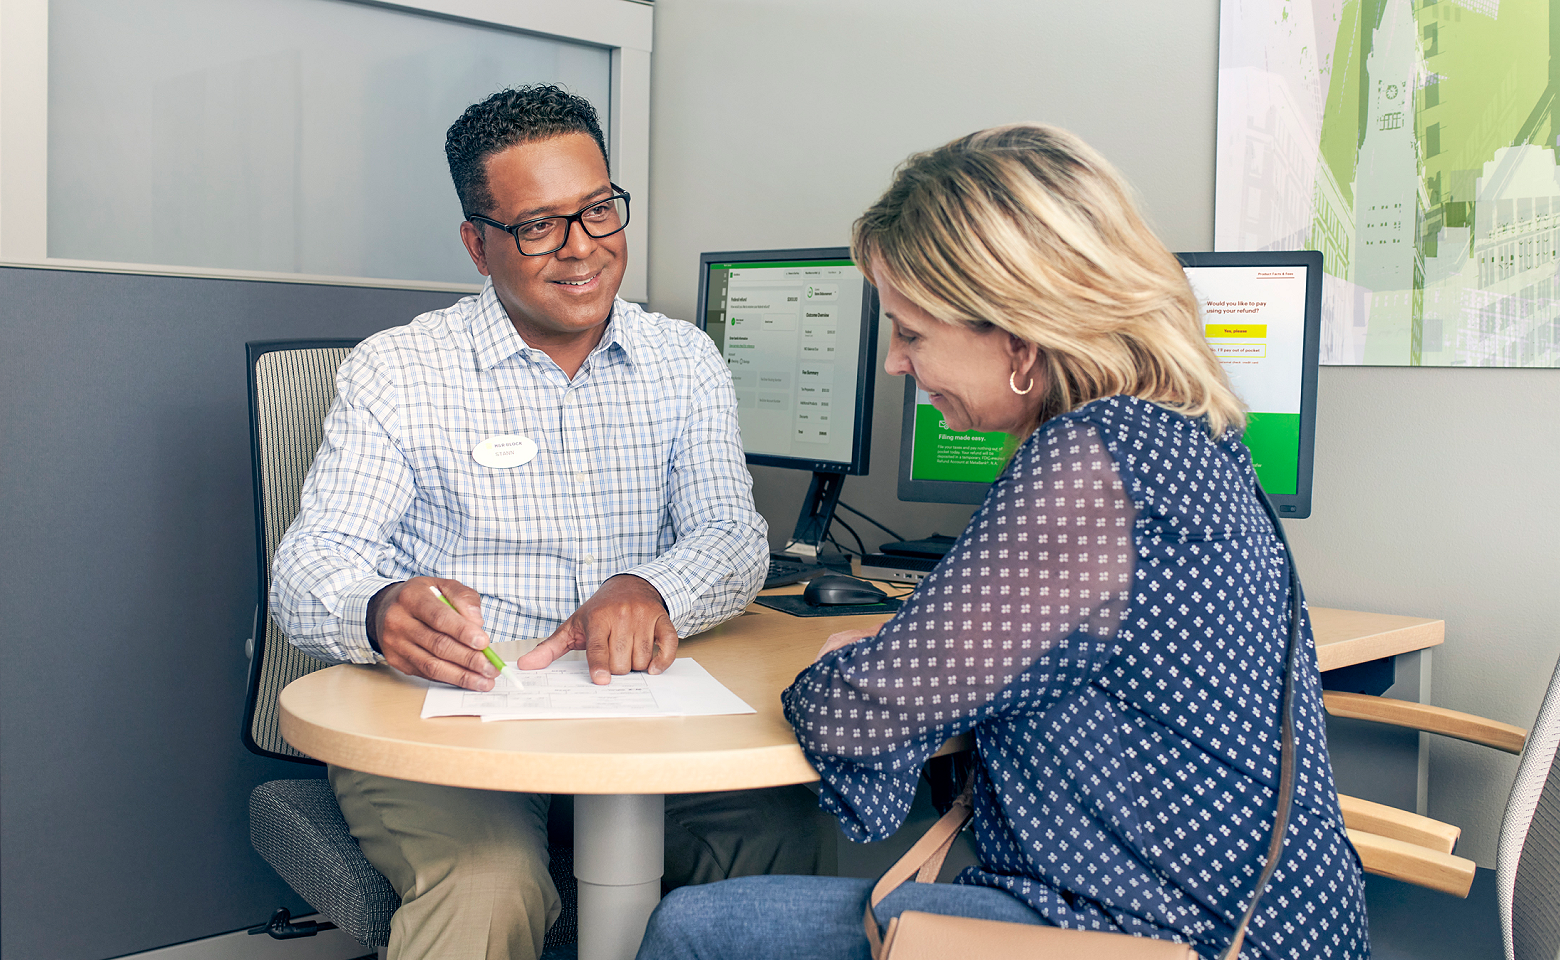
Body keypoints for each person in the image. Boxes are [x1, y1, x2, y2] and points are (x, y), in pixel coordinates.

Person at [635, 124, 1369, 960]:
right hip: (1268, 920)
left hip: (1163, 935)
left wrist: (857, 657)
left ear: (1019, 338)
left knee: (694, 931)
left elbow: (854, 713)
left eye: (911, 333)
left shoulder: (1090, 463)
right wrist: (919, 649)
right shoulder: (1178, 431)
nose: (894, 365)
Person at [270, 85, 829, 960]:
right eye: (539, 226)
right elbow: (313, 563)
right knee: (491, 888)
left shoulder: (683, 360)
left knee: (772, 846)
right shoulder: (400, 370)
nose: (584, 250)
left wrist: (650, 587)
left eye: (599, 210)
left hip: (639, 711)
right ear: (478, 245)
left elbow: (731, 533)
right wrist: (381, 609)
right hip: (451, 718)